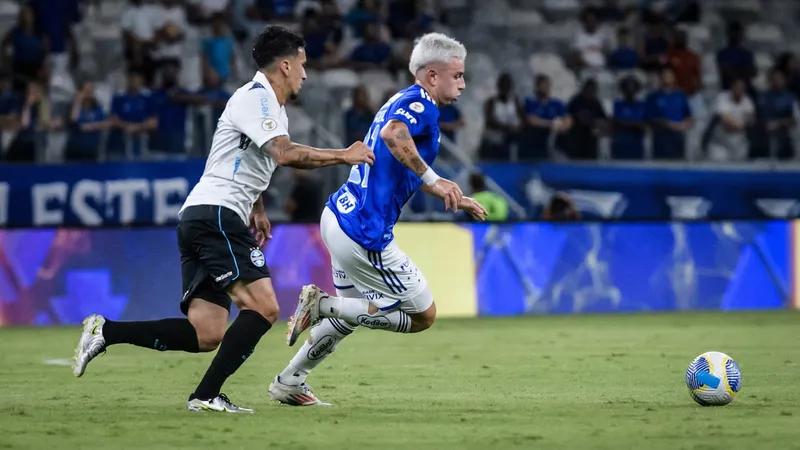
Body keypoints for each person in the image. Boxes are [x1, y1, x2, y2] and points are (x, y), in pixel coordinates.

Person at [72, 25, 375, 414]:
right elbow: (283, 154)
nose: (306, 73)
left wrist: (257, 206)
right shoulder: (256, 99)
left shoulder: (268, 106)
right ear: (285, 65)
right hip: (216, 215)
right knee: (264, 308)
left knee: (207, 332)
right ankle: (204, 396)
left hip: (202, 214)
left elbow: (241, 159)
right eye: (303, 64)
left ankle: (105, 331)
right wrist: (343, 154)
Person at [267, 32, 487, 406]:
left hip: (338, 216)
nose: (463, 84)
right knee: (422, 315)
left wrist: (450, 192)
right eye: (458, 75)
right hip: (364, 234)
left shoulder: (399, 100)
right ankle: (320, 305)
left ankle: (290, 380)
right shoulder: (421, 104)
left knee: (350, 317)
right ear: (432, 76)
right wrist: (433, 181)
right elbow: (392, 134)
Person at [646, 66, 692, 159]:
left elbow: (688, 115)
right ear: (660, 77)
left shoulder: (680, 95)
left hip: (678, 137)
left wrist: (685, 124)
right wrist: (670, 124)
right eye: (664, 75)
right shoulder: (653, 96)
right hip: (661, 137)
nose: (667, 77)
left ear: (674, 77)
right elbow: (651, 118)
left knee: (678, 165)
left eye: (669, 75)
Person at [521, 74, 571, 160]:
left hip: (553, 144)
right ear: (537, 86)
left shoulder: (557, 104)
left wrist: (561, 126)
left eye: (547, 84)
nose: (546, 87)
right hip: (534, 145)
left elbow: (568, 120)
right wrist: (551, 124)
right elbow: (531, 120)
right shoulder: (530, 102)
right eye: (543, 84)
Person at [707, 78, 754, 162]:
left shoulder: (747, 101)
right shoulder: (722, 97)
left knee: (740, 169)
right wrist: (739, 125)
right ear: (732, 88)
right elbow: (725, 119)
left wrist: (742, 124)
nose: (739, 90)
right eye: (737, 87)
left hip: (739, 142)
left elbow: (751, 119)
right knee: (719, 167)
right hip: (721, 143)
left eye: (742, 88)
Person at [480, 73, 522, 160]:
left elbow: (522, 119)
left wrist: (517, 127)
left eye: (508, 86)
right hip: (493, 141)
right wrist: (507, 127)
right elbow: (489, 120)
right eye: (503, 86)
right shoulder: (491, 102)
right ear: (498, 87)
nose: (505, 89)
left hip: (509, 141)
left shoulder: (516, 102)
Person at [758, 68, 798, 159]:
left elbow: (795, 119)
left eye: (780, 79)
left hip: (787, 136)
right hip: (767, 137)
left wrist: (780, 123)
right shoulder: (764, 97)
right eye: (775, 79)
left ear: (784, 80)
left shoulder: (790, 98)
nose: (777, 81)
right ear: (770, 80)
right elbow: (762, 119)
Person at [611, 76, 647, 159]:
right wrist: (633, 123)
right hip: (620, 144)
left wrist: (626, 123)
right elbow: (616, 121)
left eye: (632, 87)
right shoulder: (618, 105)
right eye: (627, 87)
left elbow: (643, 124)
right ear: (623, 89)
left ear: (637, 89)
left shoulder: (641, 105)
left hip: (636, 145)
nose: (630, 90)